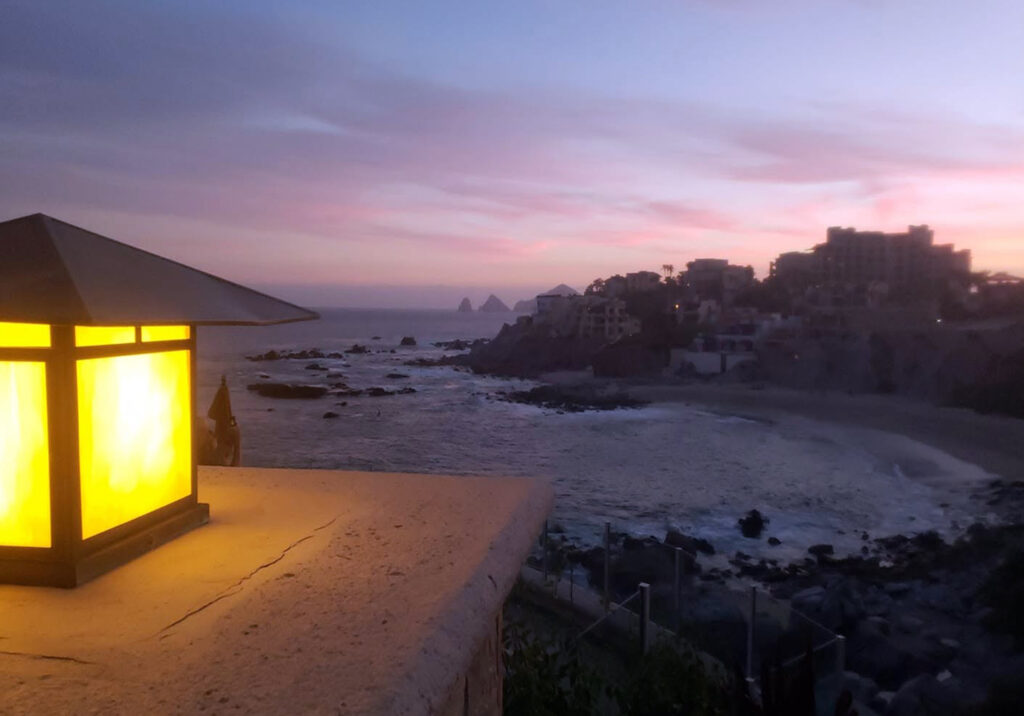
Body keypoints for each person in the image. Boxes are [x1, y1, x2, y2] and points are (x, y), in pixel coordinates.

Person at [207, 376, 241, 466]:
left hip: (223, 427)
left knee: (223, 443)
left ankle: (226, 461)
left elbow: (212, 413)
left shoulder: (223, 393)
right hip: (224, 426)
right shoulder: (223, 393)